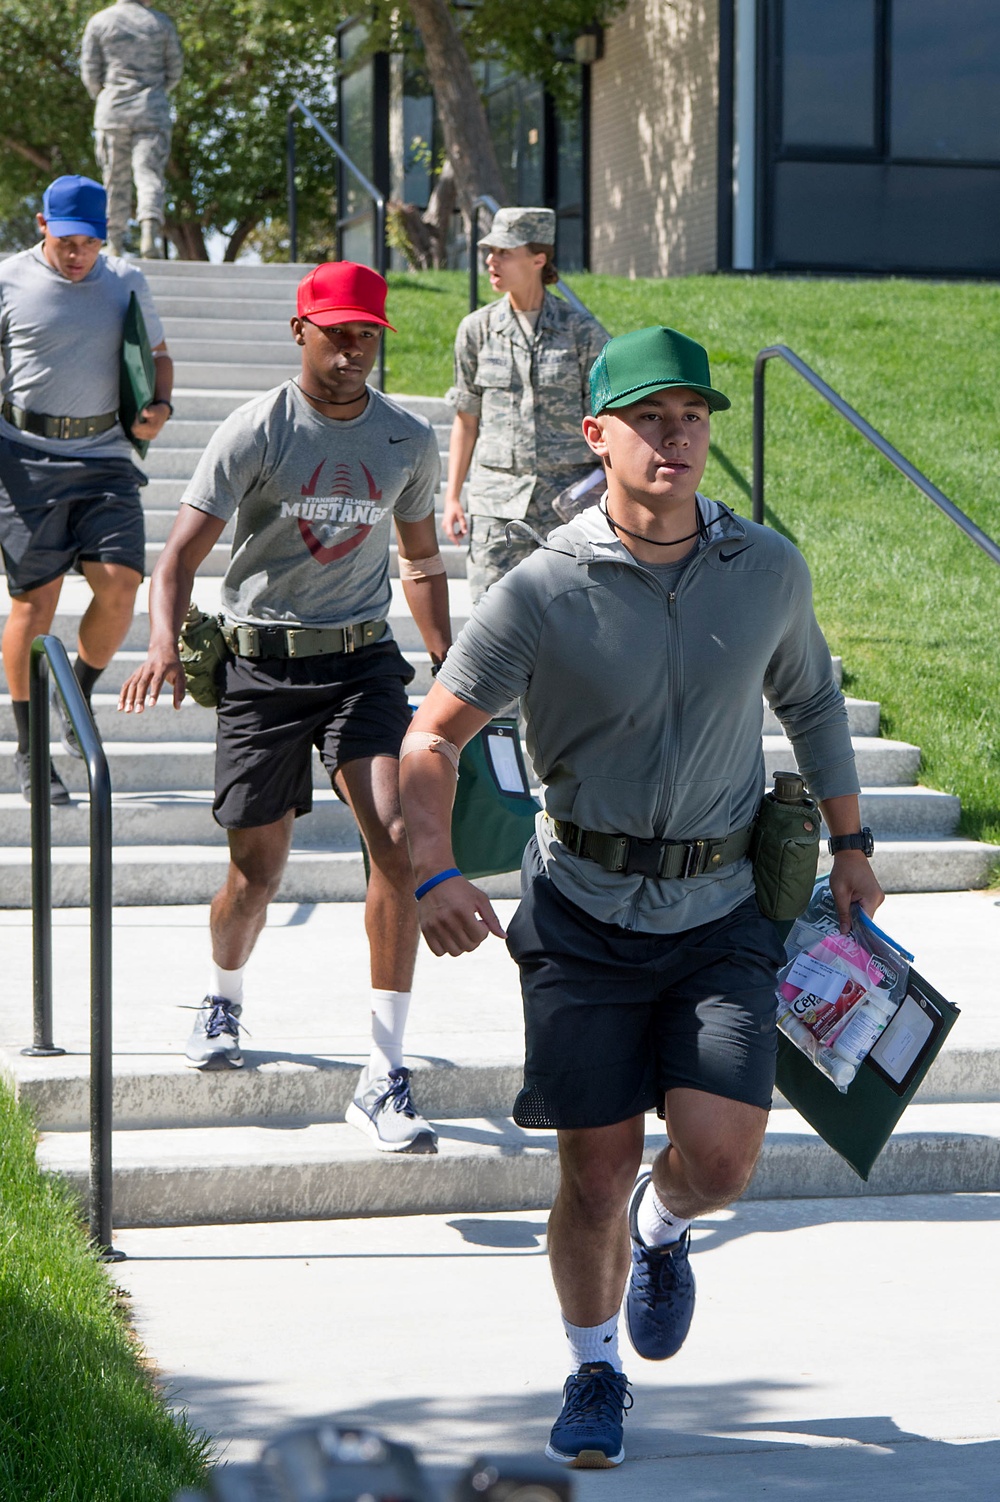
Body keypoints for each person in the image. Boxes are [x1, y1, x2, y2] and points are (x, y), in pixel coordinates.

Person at [398, 326, 884, 1465]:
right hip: (579, 909)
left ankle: (662, 1235)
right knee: (594, 1164)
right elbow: (429, 741)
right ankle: (594, 1365)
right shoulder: (542, 588)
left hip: (722, 906)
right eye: (652, 419)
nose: (676, 437)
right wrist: (430, 868)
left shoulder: (764, 566)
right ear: (597, 434)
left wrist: (852, 840)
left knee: (716, 1157)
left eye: (693, 418)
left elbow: (811, 701)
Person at [118, 262, 452, 1155]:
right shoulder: (257, 428)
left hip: (362, 668)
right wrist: (162, 642)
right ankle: (224, 997)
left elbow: (419, 561)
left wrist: (450, 661)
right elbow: (178, 560)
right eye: (337, 332)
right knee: (256, 875)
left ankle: (383, 1072)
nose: (353, 351)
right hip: (261, 672)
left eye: (368, 335)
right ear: (300, 330)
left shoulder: (408, 441)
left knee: (396, 838)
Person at [0, 174, 173, 804]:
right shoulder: (8, 279)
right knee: (34, 605)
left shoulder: (125, 279)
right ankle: (29, 750)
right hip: (24, 456)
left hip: (104, 456)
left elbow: (157, 355)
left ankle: (77, 693)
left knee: (122, 585)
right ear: (42, 226)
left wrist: (160, 405)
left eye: (91, 243)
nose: (79, 256)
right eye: (68, 241)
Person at [443, 206, 609, 603]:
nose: (490, 260)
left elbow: (608, 424)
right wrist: (451, 496)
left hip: (568, 509)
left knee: (575, 627)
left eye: (504, 251)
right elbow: (466, 419)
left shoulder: (583, 332)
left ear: (538, 258)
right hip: (495, 511)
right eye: (489, 250)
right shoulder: (477, 330)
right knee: (491, 625)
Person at [81, 0, 184, 259]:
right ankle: (149, 233)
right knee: (149, 175)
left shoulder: (100, 21)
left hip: (113, 111)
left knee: (114, 178)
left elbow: (90, 72)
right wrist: (153, 93)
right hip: (151, 109)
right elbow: (175, 71)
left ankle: (114, 241)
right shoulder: (160, 23)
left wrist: (107, 95)